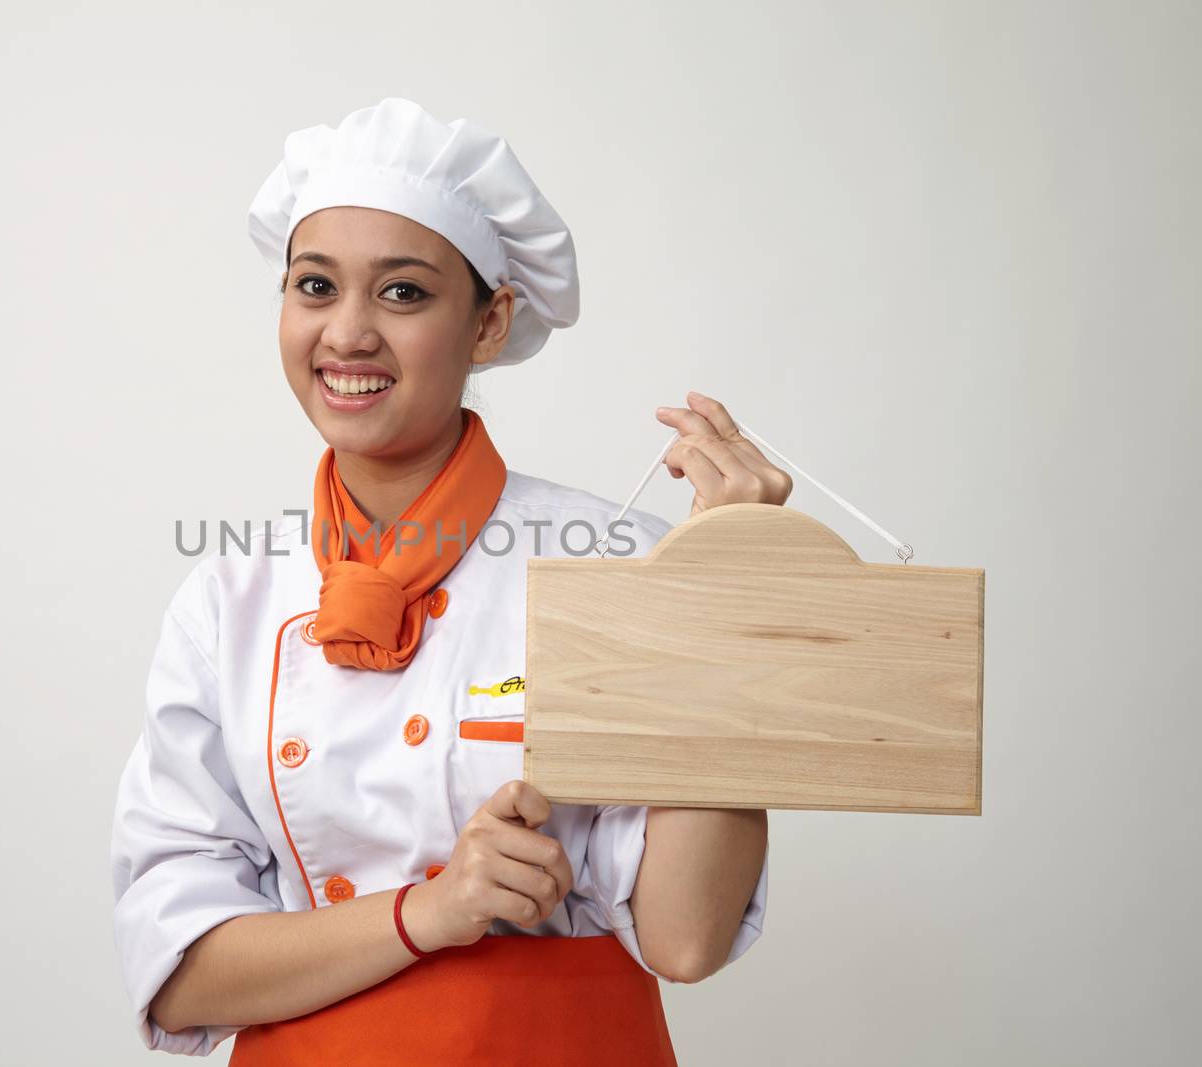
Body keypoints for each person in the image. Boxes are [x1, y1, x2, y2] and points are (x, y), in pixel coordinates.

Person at [110, 97, 783, 1065]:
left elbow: (686, 935)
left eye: (403, 293)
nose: (346, 333)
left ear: (489, 321)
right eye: (314, 285)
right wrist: (432, 909)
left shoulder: (626, 567)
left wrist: (724, 607)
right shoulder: (231, 599)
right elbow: (178, 973)